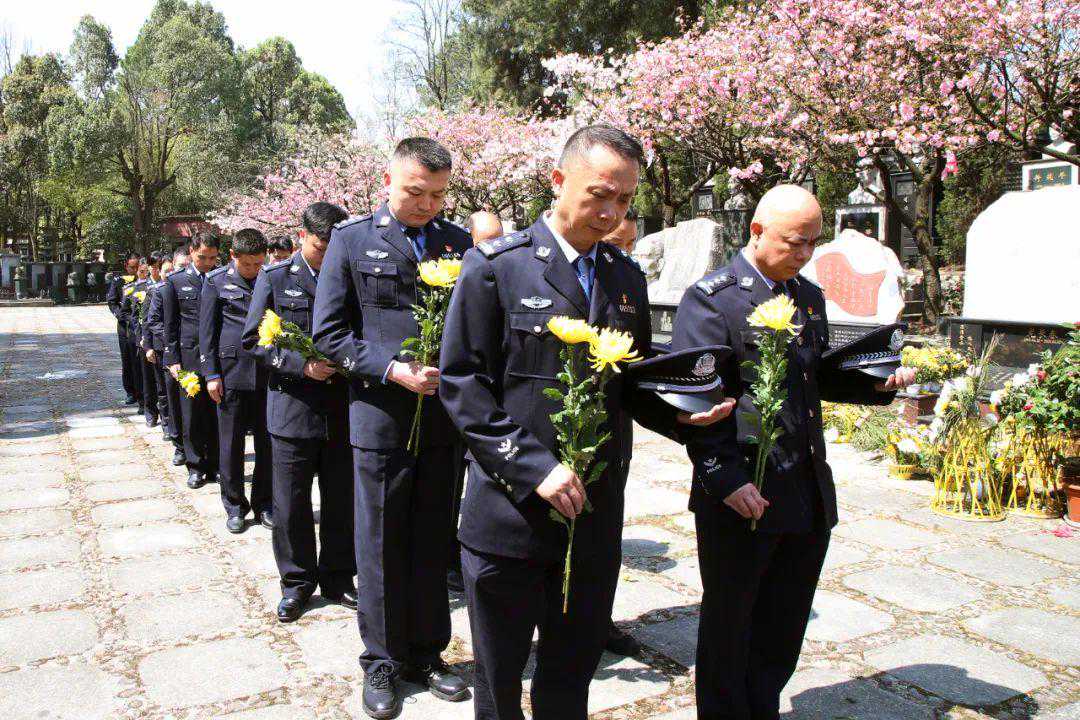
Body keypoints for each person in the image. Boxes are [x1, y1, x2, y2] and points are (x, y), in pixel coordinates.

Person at [439, 125, 731, 720]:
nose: (611, 212)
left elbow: (631, 382)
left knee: (573, 669)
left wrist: (686, 417)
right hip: (512, 510)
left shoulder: (625, 276)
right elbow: (463, 383)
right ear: (558, 181)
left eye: (624, 199)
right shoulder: (496, 266)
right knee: (499, 677)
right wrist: (535, 468)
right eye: (600, 194)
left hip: (593, 510)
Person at [669, 185, 915, 720]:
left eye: (812, 243)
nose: (804, 254)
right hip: (743, 491)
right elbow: (700, 400)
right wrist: (725, 479)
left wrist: (875, 382)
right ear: (757, 231)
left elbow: (814, 376)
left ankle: (763, 707)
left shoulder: (806, 295)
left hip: (803, 489)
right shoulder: (713, 299)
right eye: (794, 242)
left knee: (783, 622)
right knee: (731, 625)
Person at [313, 137, 473, 719]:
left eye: (438, 195)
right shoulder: (352, 240)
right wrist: (391, 370)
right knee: (379, 543)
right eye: (416, 192)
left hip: (441, 421)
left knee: (432, 539)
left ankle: (427, 653)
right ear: (388, 180)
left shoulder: (457, 244)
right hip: (380, 417)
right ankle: (380, 659)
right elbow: (328, 333)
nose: (427, 205)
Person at [242, 201, 358, 623]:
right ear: (302, 236)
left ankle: (339, 578)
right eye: (320, 246)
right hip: (293, 407)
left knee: (341, 500)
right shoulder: (275, 277)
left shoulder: (350, 276)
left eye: (333, 247)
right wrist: (300, 365)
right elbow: (253, 341)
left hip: (341, 409)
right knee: (291, 504)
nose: (326, 255)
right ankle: (296, 583)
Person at [200, 229, 273, 533]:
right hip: (230, 374)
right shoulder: (216, 282)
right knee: (230, 444)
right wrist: (211, 374)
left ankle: (265, 503)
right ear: (233, 256)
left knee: (268, 443)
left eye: (258, 264)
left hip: (267, 373)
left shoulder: (272, 278)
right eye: (247, 264)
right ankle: (234, 506)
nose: (253, 270)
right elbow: (206, 332)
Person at [162, 233, 221, 490]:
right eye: (202, 257)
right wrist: (172, 358)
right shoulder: (176, 282)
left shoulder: (222, 279)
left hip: (217, 357)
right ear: (191, 253)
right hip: (189, 357)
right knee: (192, 414)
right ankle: (195, 466)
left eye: (212, 258)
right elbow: (171, 324)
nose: (207, 263)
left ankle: (216, 464)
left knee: (216, 414)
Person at [144, 255, 180, 460]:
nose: (170, 274)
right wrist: (148, 346)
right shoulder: (156, 291)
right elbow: (147, 321)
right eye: (167, 271)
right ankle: (167, 425)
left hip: (180, 348)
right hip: (161, 347)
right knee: (164, 390)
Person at [107, 254, 141, 405]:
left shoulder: (143, 280)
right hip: (125, 326)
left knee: (140, 360)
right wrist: (120, 315)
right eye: (132, 267)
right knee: (127, 359)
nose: (135, 270)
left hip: (140, 326)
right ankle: (130, 391)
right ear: (126, 266)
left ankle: (143, 391)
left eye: (137, 267)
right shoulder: (118, 281)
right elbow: (112, 301)